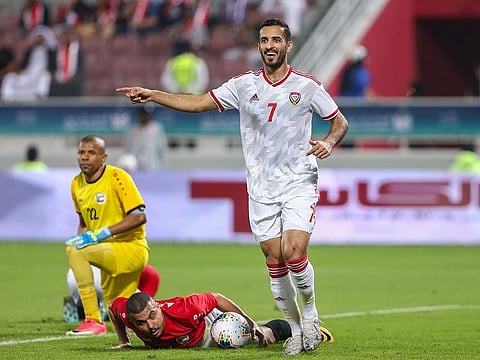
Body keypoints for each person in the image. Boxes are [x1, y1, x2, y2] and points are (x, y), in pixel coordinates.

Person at [116, 18, 348, 356]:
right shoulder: (242, 85)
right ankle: (296, 328)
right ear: (259, 46)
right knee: (274, 260)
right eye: (264, 40)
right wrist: (154, 95)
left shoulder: (307, 86)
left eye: (276, 40)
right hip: (261, 187)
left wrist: (328, 142)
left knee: (293, 251)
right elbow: (196, 103)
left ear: (288, 45)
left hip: (298, 179)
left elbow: (339, 122)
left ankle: (311, 316)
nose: (270, 45)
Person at [65, 135, 150, 336]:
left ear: (104, 157)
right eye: (81, 152)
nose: (84, 157)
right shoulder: (76, 184)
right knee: (120, 314)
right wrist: (82, 238)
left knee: (75, 251)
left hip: (131, 248)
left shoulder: (117, 177)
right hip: (108, 251)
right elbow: (84, 223)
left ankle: (92, 319)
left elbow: (139, 217)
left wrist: (97, 237)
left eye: (91, 153)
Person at [109, 291, 325, 349]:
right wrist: (124, 341)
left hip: (209, 327)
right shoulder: (128, 314)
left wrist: (249, 324)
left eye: (152, 316)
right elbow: (112, 306)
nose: (150, 326)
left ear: (156, 306)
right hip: (192, 334)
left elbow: (217, 298)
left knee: (263, 337)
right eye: (142, 323)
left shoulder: (186, 309)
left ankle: (311, 330)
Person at [64, 264, 160, 323]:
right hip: (104, 281)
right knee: (132, 305)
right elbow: (141, 303)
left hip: (75, 275)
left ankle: (78, 305)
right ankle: (105, 309)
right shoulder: (148, 273)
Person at [1, 25, 56, 102]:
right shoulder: (30, 51)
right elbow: (23, 65)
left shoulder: (51, 52)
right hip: (27, 75)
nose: (38, 39)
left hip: (40, 74)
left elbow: (53, 66)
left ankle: (40, 100)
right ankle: (6, 101)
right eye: (37, 37)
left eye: (41, 37)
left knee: (45, 77)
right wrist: (19, 71)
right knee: (9, 77)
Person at [124, 105, 168, 171]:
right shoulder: (133, 129)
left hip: (153, 166)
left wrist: (162, 167)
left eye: (147, 114)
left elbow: (162, 149)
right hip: (136, 167)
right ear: (140, 115)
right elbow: (127, 148)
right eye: (143, 114)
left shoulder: (156, 129)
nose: (145, 117)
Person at [50, 26, 85, 97]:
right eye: (65, 35)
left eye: (69, 35)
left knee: (77, 82)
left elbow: (81, 66)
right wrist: (53, 74)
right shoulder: (56, 50)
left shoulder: (78, 50)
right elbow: (52, 65)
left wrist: (73, 75)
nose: (67, 37)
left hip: (73, 77)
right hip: (58, 76)